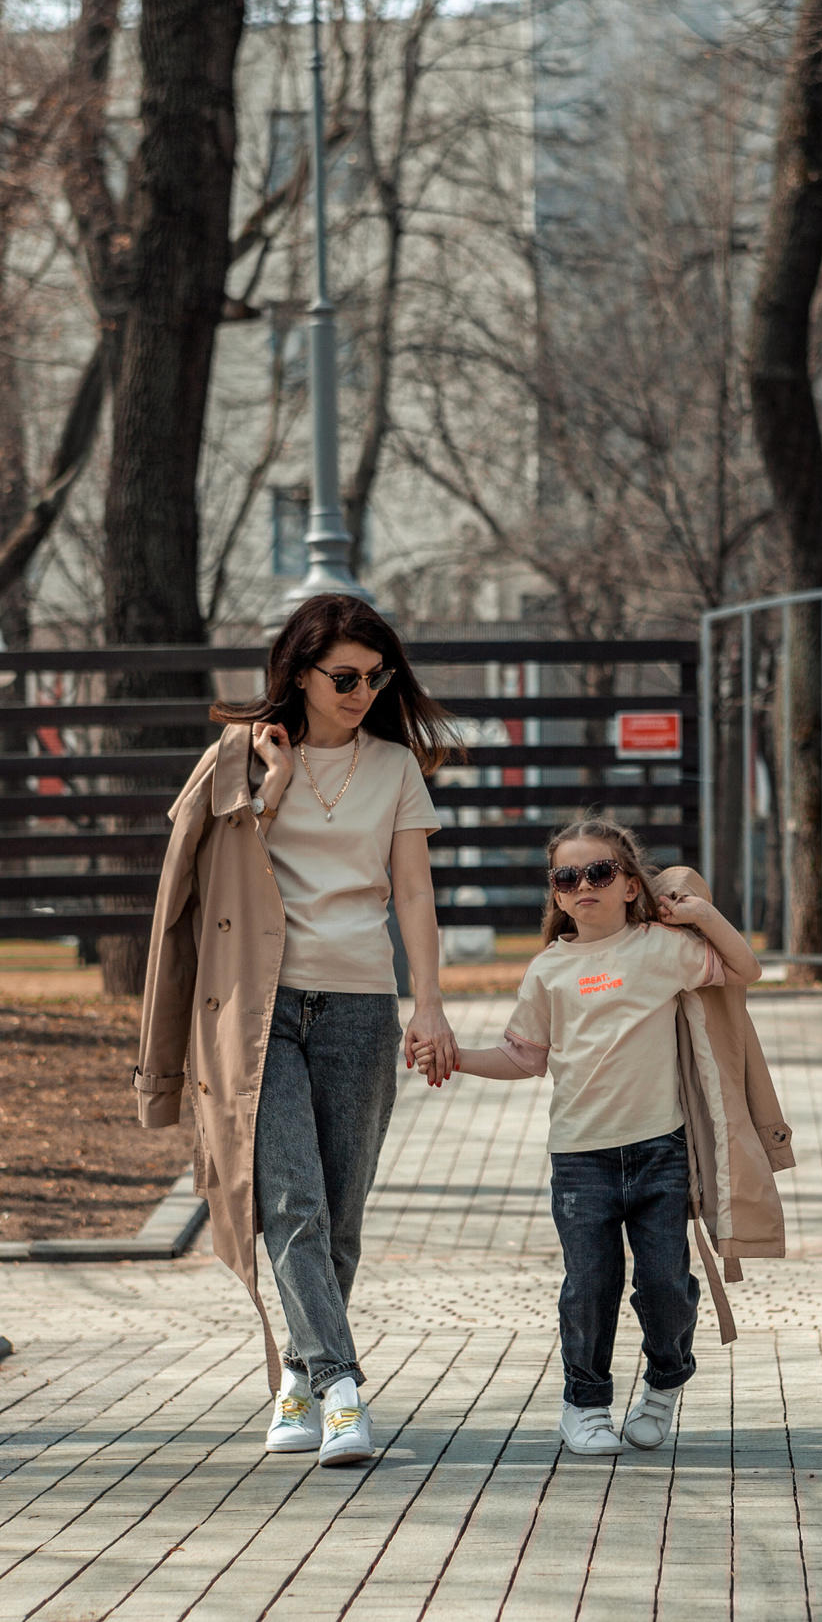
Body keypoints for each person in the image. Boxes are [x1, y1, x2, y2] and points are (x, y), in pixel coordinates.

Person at [133, 594, 459, 1468]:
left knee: (340, 1212)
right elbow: (212, 871)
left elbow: (416, 895)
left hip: (358, 1002)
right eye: (344, 676)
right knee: (290, 1201)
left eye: (374, 676)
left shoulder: (394, 766)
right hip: (258, 1008)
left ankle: (302, 1381)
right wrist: (270, 793)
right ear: (300, 673)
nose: (361, 690)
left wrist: (428, 1001)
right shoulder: (243, 759)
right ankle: (345, 1388)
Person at [414, 817, 761, 1456]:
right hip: (580, 1159)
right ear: (556, 893)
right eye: (566, 877)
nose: (583, 886)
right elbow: (525, 1058)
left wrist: (704, 915)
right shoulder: (548, 970)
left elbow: (746, 968)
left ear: (630, 885)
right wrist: (455, 1055)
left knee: (664, 1282)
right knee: (590, 1285)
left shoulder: (662, 948)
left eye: (599, 872)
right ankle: (585, 1404)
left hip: (660, 1150)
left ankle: (661, 1388)